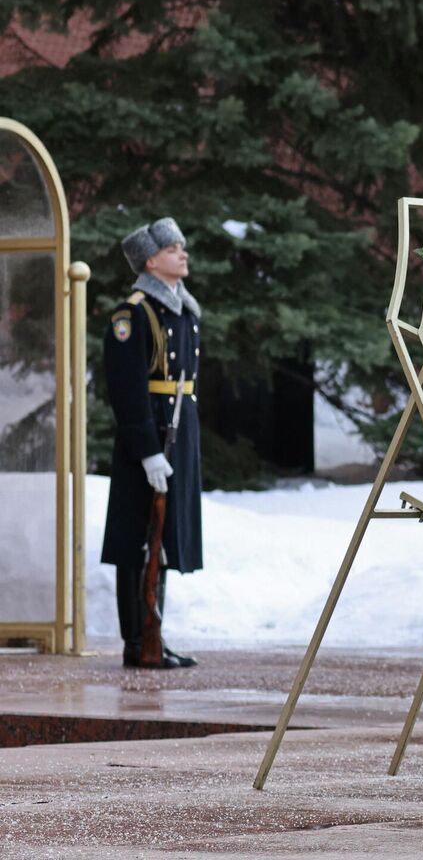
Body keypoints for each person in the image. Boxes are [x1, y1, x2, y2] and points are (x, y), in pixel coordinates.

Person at [103, 217, 203, 669]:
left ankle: (153, 634)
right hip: (149, 434)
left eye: (182, 247)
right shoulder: (134, 313)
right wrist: (147, 451)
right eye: (172, 249)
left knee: (162, 538)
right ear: (150, 260)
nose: (183, 254)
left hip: (178, 432)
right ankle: (136, 639)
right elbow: (126, 389)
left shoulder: (180, 309)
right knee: (139, 540)